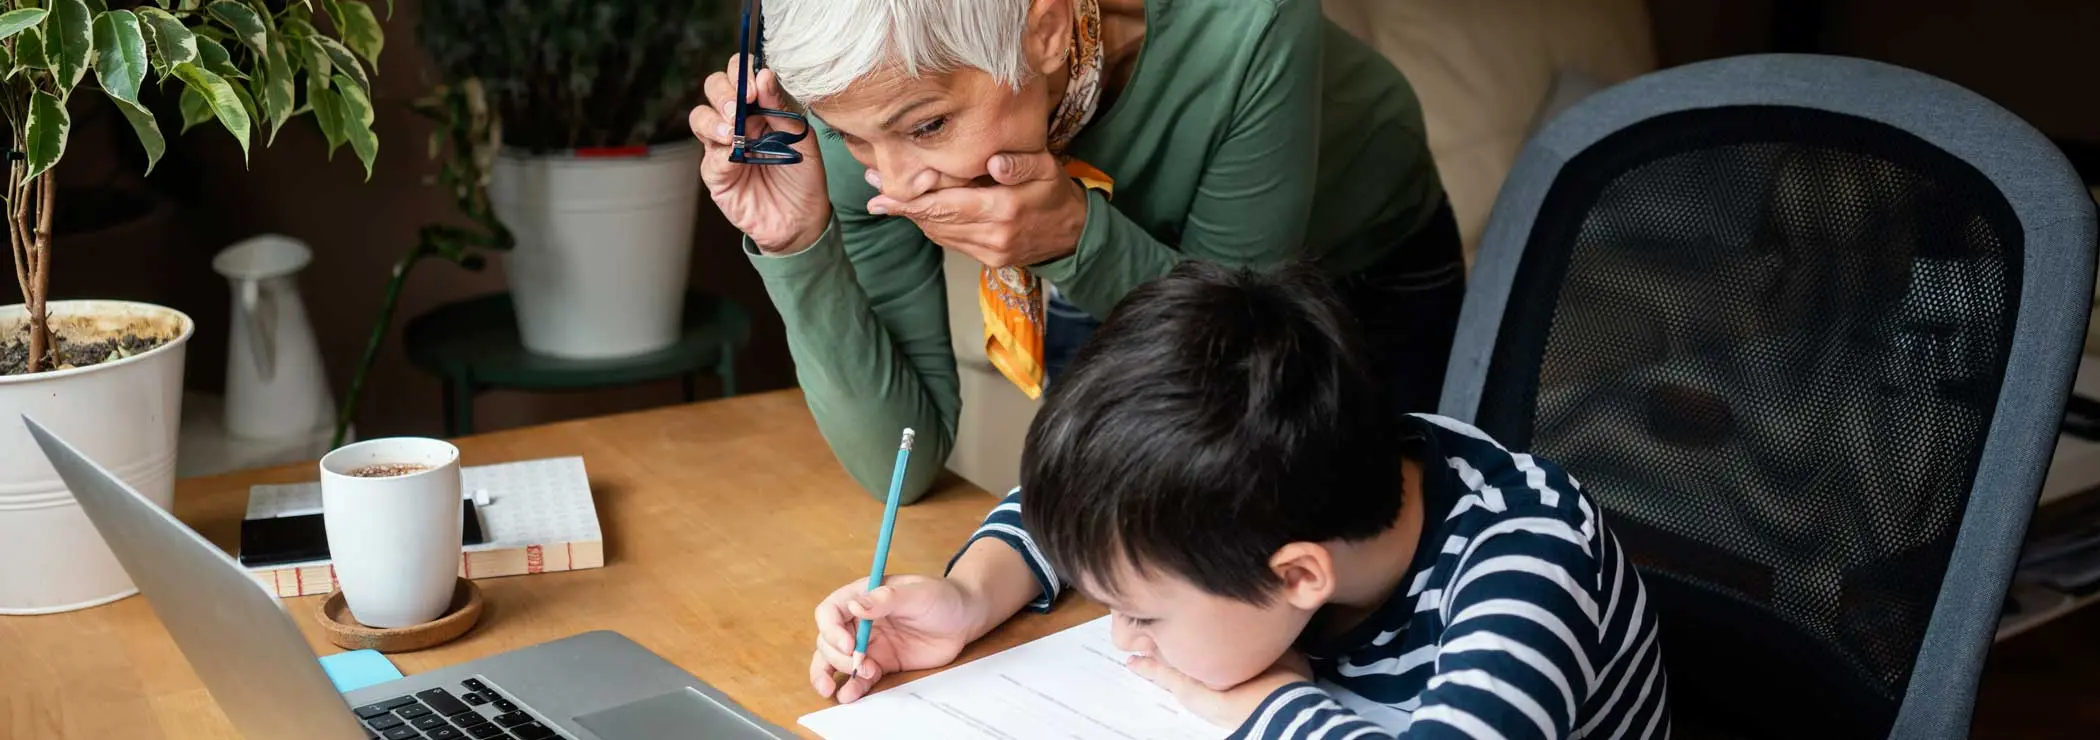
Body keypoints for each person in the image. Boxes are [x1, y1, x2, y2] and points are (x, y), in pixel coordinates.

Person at [806, 262, 1671, 738]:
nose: (1121, 635)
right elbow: (1080, 502)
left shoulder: (1527, 568)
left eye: (1142, 615)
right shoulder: (1286, 475)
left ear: (1298, 576)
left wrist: (1268, 707)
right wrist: (969, 597)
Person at [688, 0, 1463, 504]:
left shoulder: (1251, 25)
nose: (894, 182)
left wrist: (1074, 239)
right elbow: (905, 465)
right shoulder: (869, 102)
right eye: (855, 138)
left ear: (1048, 29)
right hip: (1118, 272)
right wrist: (794, 243)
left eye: (927, 128)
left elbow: (1244, 370)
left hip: (1362, 261)